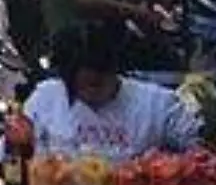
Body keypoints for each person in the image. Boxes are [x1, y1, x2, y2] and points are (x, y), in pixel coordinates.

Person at [21, 21, 200, 160]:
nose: (90, 95)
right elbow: (10, 160)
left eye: (96, 84)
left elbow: (204, 153)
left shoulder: (159, 105)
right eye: (79, 87)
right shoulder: (43, 100)